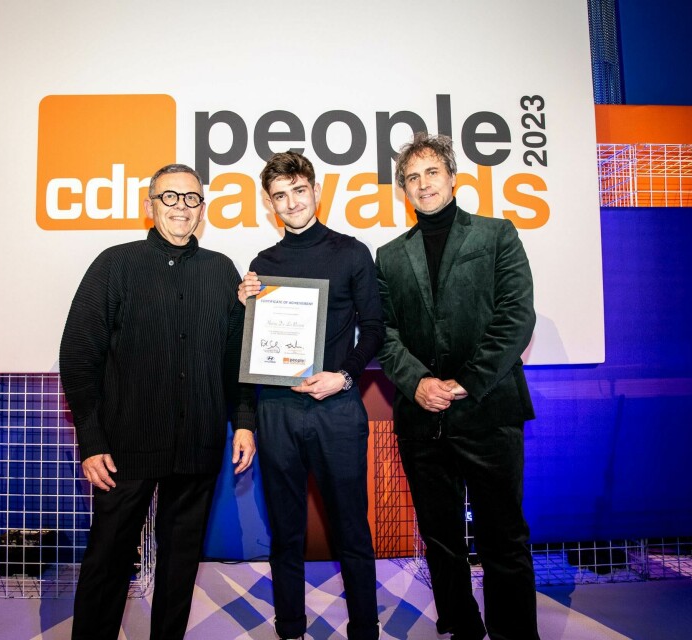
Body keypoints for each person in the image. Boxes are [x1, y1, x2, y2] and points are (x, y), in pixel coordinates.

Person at [59, 163, 256, 640]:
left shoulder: (221, 271)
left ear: (203, 209)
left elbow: (236, 357)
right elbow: (78, 354)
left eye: (191, 198)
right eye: (170, 197)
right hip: (125, 447)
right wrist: (91, 439)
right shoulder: (115, 265)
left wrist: (245, 421)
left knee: (180, 563)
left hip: (197, 445)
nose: (181, 207)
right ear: (150, 206)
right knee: (108, 559)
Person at [375, 132, 539, 640]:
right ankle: (462, 626)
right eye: (412, 177)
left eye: (431, 173)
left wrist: (467, 381)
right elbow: (383, 334)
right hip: (422, 419)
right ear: (403, 188)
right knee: (440, 539)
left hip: (489, 411)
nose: (423, 184)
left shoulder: (497, 234)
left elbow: (516, 317)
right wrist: (418, 382)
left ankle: (514, 633)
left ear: (452, 178)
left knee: (503, 537)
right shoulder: (389, 255)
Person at [237, 151, 383, 640]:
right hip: (277, 411)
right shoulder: (262, 265)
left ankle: (365, 628)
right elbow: (252, 344)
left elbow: (375, 329)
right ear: (270, 203)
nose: (291, 202)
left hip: (337, 408)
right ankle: (290, 627)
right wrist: (243, 306)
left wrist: (344, 376)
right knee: (285, 530)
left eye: (299, 190)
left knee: (351, 528)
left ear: (316, 191)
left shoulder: (352, 253)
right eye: (280, 195)